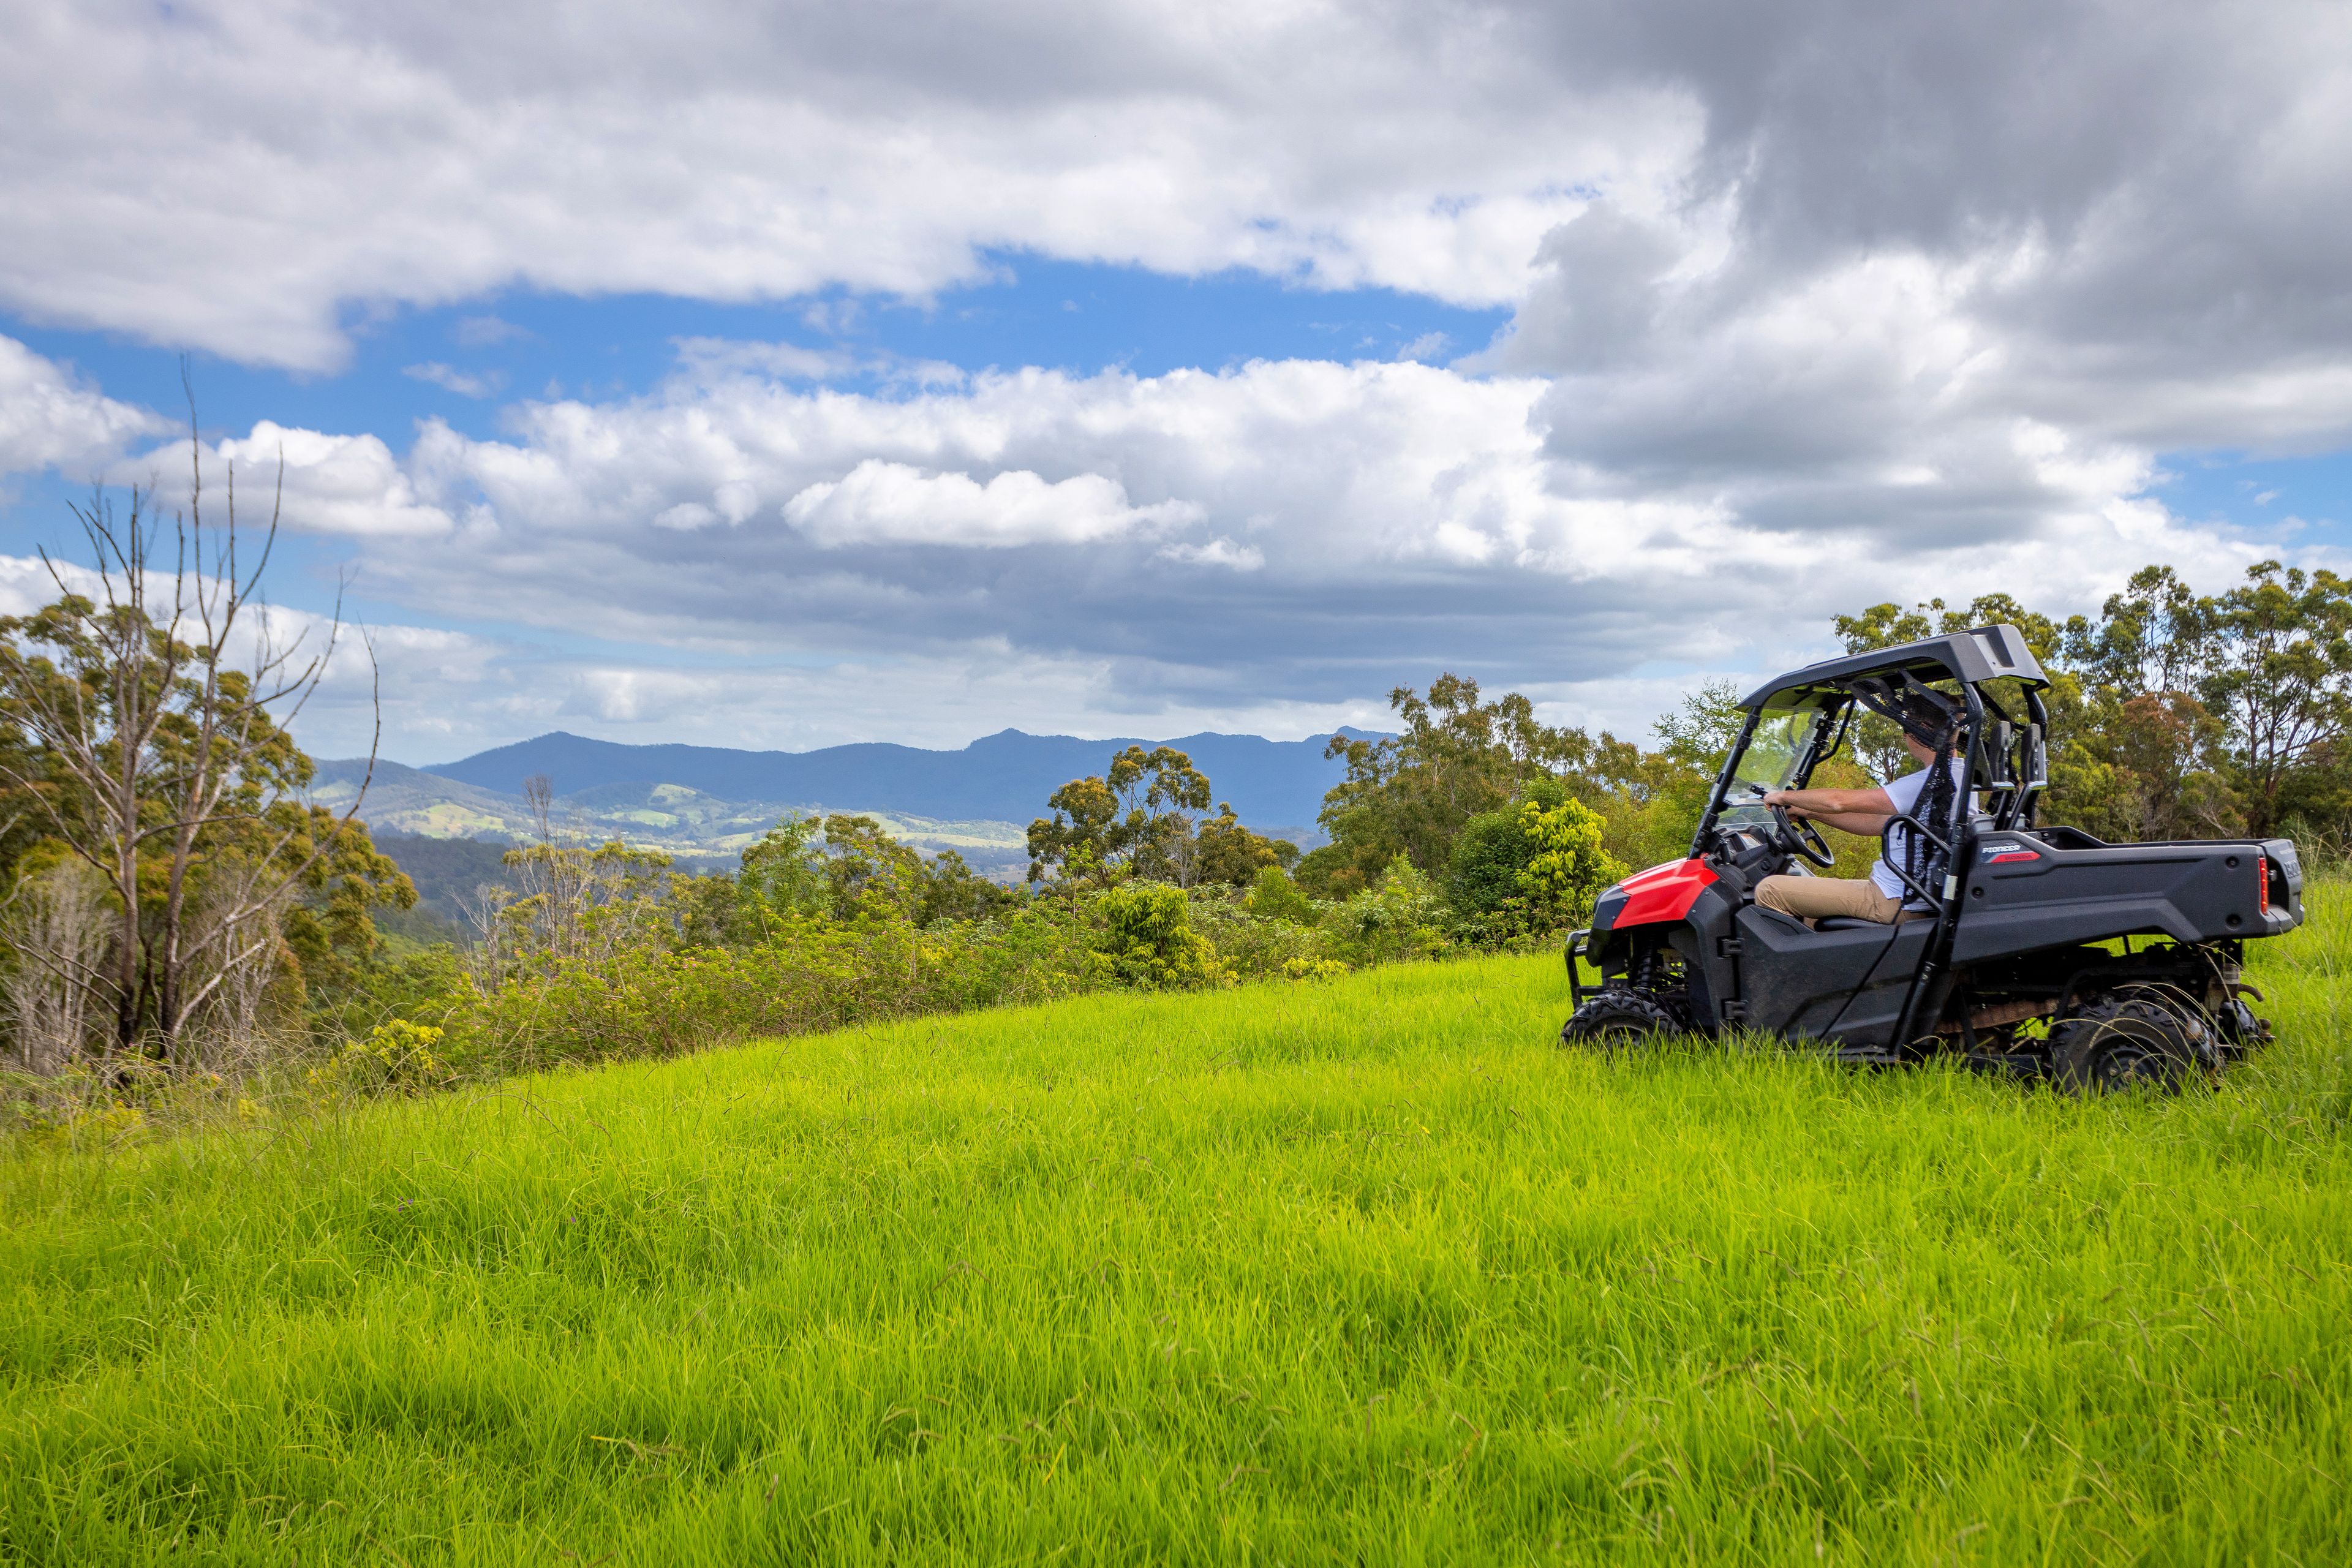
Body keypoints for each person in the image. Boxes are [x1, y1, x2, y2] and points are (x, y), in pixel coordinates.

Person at [1754, 725, 1967, 925]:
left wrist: (1782, 797)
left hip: (1893, 899)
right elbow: (1876, 824)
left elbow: (1838, 802)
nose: (1905, 737)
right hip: (1904, 895)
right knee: (1808, 907)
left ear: (1921, 730)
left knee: (1769, 890)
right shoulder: (1959, 779)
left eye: (1907, 730)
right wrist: (1809, 812)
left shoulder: (1930, 782)